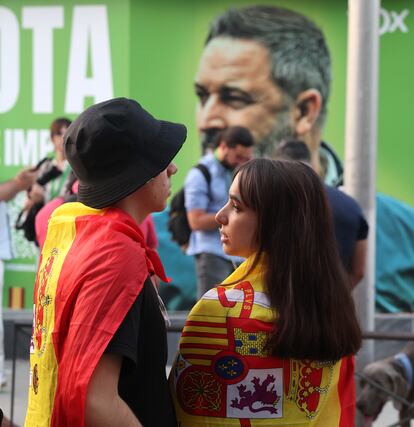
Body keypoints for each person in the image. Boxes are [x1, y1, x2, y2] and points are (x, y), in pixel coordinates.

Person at [25, 97, 186, 426]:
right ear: (137, 175)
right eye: (160, 160)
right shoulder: (114, 255)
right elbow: (94, 400)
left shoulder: (79, 234)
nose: (173, 168)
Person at [170, 159, 362, 426]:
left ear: (275, 223)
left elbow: (189, 412)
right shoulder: (331, 309)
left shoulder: (218, 310)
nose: (220, 215)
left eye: (236, 207)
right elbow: (343, 408)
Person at [273, 140, 368, 288]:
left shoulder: (276, 203)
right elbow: (359, 271)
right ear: (311, 164)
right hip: (332, 300)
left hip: (285, 300)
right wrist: (335, 296)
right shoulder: (351, 206)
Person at [185, 126, 253, 298]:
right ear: (223, 146)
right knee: (211, 311)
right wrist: (236, 214)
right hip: (212, 254)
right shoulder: (200, 174)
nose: (241, 163)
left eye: (246, 159)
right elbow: (196, 221)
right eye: (238, 157)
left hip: (238, 256)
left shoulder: (235, 172)